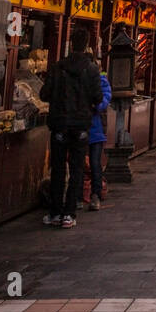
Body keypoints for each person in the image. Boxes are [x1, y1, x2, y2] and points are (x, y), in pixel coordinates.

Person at [40, 25, 103, 229]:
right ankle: (69, 213)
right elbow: (98, 97)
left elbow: (44, 94)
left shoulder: (58, 67)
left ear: (70, 44)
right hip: (81, 125)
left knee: (58, 168)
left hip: (59, 123)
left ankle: (55, 212)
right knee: (76, 169)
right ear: (86, 46)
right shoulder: (92, 69)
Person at [87, 48, 112, 212]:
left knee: (95, 163)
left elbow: (105, 99)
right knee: (78, 164)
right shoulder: (81, 79)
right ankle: (78, 195)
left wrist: (95, 105)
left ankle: (95, 194)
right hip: (80, 127)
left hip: (95, 129)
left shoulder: (100, 80)